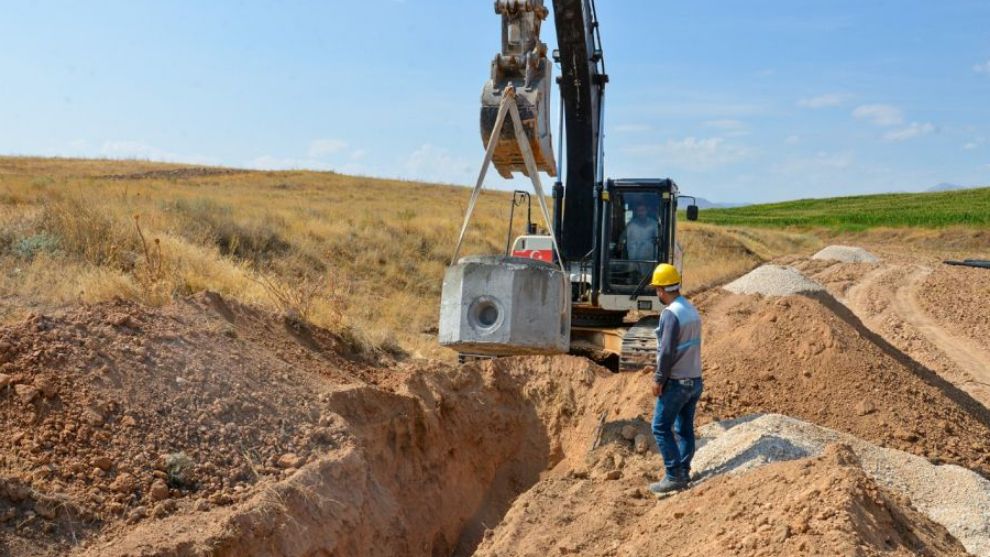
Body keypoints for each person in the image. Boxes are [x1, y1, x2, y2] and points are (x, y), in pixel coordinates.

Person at [644, 263, 703, 495]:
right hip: (695, 380)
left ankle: (673, 475)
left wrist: (659, 379)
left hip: (677, 381)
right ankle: (683, 470)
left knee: (660, 427)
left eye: (657, 289)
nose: (657, 293)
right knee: (684, 428)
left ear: (661, 290)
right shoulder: (690, 309)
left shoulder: (670, 314)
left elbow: (667, 351)